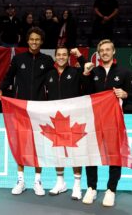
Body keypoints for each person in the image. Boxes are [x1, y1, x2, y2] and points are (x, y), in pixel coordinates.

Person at [0, 27, 54, 196]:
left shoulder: (48, 60)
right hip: (20, 108)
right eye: (31, 39)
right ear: (27, 41)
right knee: (21, 144)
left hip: (40, 109)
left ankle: (37, 181)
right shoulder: (18, 59)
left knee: (38, 145)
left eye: (37, 39)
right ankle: (20, 180)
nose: (34, 42)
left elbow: (54, 80)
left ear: (41, 42)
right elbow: (8, 77)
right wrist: (0, 90)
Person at [82, 39, 132, 207]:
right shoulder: (93, 71)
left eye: (107, 50)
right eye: (101, 50)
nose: (104, 52)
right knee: (91, 154)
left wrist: (125, 94)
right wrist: (84, 75)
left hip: (114, 121)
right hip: (93, 120)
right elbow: (83, 93)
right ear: (98, 54)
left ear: (113, 52)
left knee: (114, 155)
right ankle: (91, 187)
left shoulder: (125, 72)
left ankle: (111, 190)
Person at [44, 47, 92, 200]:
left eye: (65, 54)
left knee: (75, 152)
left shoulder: (76, 72)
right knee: (57, 150)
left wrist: (79, 56)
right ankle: (60, 183)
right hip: (55, 118)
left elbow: (88, 73)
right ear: (55, 56)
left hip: (73, 118)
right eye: (59, 54)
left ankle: (77, 185)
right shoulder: (49, 74)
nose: (62, 57)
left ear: (68, 57)